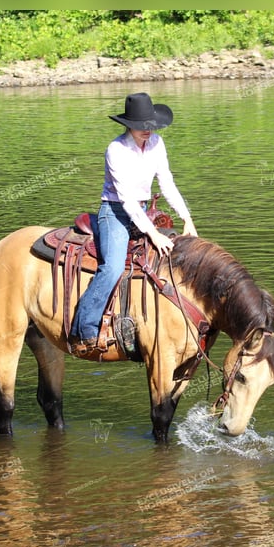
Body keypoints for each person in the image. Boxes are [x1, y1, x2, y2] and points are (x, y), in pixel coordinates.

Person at [69, 92, 198, 353]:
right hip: (115, 211)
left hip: (142, 210)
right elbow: (126, 199)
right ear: (128, 126)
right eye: (141, 127)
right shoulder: (116, 150)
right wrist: (153, 234)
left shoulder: (157, 143)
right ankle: (85, 327)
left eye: (150, 126)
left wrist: (187, 218)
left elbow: (167, 182)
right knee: (113, 267)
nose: (147, 132)